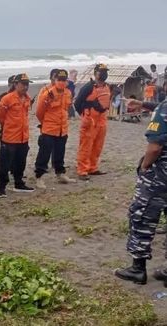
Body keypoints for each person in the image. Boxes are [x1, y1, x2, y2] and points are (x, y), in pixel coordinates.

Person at [114, 98, 167, 285]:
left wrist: (144, 165)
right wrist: (144, 104)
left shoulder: (164, 109)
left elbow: (155, 148)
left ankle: (138, 269)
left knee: (141, 216)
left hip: (160, 178)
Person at [35, 69, 76, 189]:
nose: (62, 82)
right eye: (59, 80)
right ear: (55, 79)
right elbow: (39, 112)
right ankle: (39, 177)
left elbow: (67, 108)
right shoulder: (48, 93)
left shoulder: (68, 93)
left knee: (60, 153)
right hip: (49, 129)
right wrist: (45, 123)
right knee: (44, 154)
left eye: (64, 80)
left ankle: (60, 174)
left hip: (62, 129)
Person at [0, 73, 35, 195]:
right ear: (15, 84)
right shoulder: (7, 98)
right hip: (10, 137)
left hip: (23, 137)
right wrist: (9, 126)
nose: (26, 87)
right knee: (4, 164)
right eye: (23, 84)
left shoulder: (27, 98)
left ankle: (19, 183)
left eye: (27, 84)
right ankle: (1, 187)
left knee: (20, 162)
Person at [74, 64, 111, 181]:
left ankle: (93, 167)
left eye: (105, 71)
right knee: (86, 146)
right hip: (90, 121)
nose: (104, 74)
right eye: (101, 71)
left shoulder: (107, 87)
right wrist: (84, 116)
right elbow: (77, 103)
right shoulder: (88, 87)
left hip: (102, 120)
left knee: (97, 146)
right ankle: (82, 170)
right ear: (95, 73)